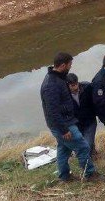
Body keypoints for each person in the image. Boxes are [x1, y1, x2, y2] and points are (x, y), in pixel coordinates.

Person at [40, 52, 96, 182]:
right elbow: (52, 111)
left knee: (63, 149)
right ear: (63, 65)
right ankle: (90, 174)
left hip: (66, 121)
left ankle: (64, 176)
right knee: (83, 147)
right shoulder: (51, 85)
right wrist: (63, 129)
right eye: (70, 64)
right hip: (63, 124)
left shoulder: (59, 78)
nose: (71, 67)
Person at [67, 73, 98, 156]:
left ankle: (89, 160)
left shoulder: (87, 87)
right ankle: (92, 154)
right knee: (82, 146)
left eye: (76, 84)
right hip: (76, 124)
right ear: (68, 85)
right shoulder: (64, 95)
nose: (75, 87)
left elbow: (96, 100)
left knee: (87, 144)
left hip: (90, 121)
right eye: (73, 85)